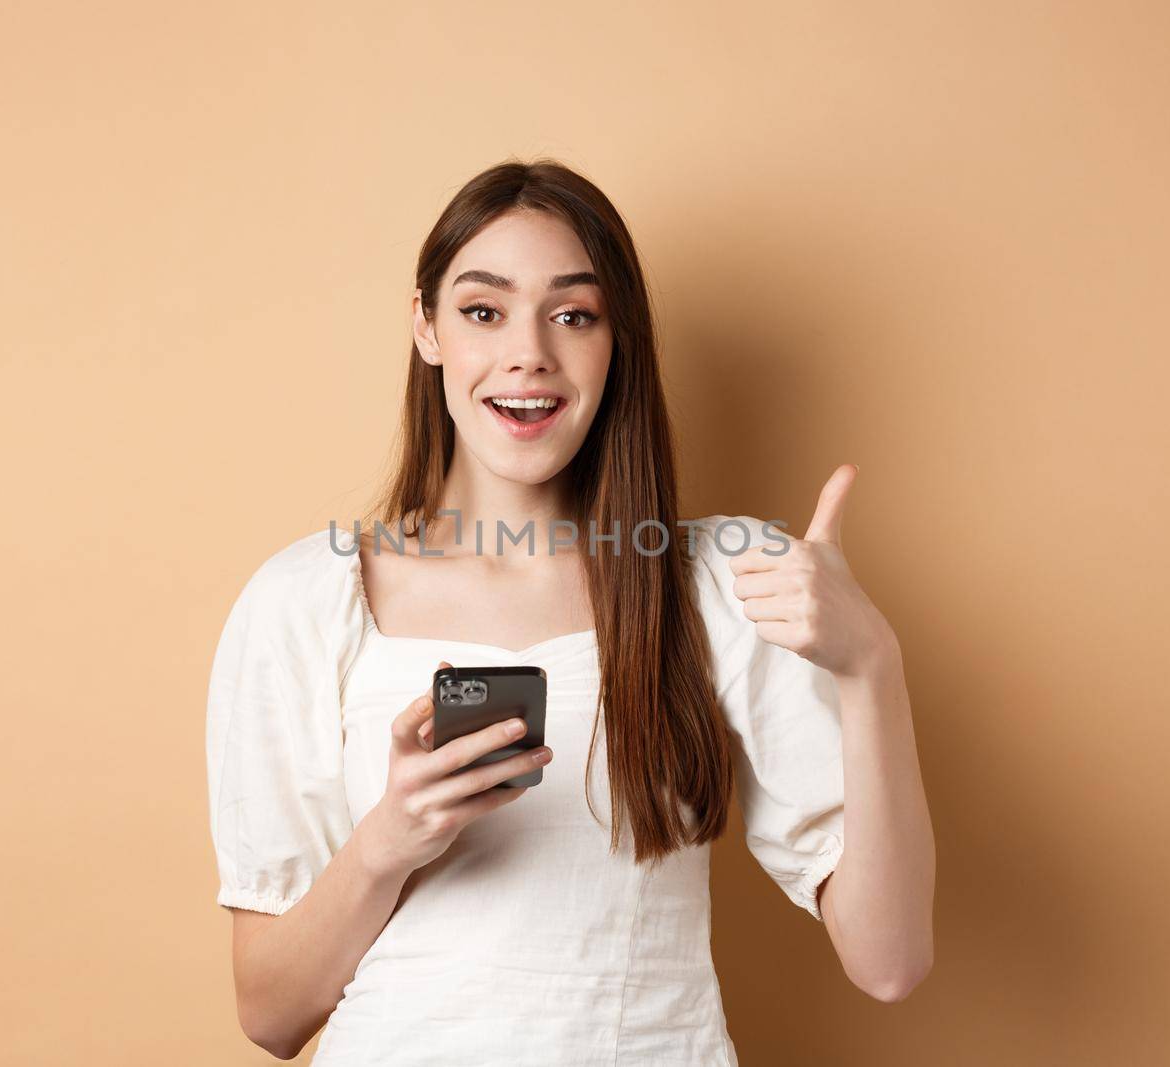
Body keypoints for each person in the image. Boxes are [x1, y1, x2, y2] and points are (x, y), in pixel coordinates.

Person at [205, 158, 936, 1063]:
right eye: (483, 311)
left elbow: (890, 958)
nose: (528, 354)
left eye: (573, 315)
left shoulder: (722, 583)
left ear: (614, 342)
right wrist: (388, 842)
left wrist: (872, 663)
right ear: (426, 328)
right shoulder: (304, 600)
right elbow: (270, 1015)